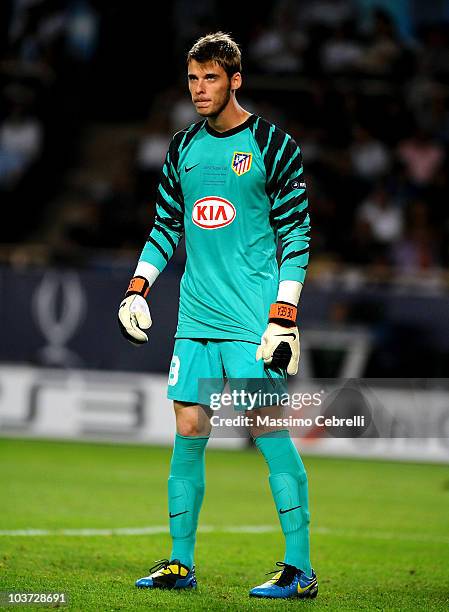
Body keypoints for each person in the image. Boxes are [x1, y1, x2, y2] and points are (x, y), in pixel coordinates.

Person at [118, 32, 317, 600]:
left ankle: (299, 568)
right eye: (191, 79)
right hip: (194, 316)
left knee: (267, 431)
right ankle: (181, 563)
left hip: (253, 319)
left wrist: (284, 314)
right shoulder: (181, 147)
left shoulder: (273, 145)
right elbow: (164, 227)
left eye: (210, 78)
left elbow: (297, 234)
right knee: (187, 429)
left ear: (235, 80)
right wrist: (138, 289)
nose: (199, 90)